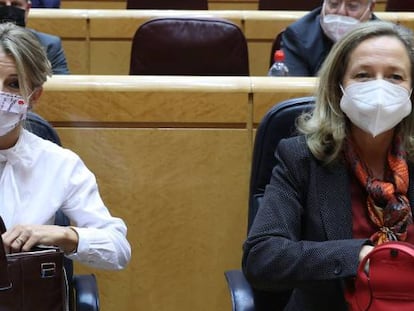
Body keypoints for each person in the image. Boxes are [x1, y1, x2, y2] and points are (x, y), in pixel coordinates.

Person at [243, 20, 414, 310]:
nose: (380, 87)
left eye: (395, 77)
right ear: (339, 87)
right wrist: (357, 256)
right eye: (363, 75)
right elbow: (263, 258)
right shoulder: (301, 157)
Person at [0, 22, 131, 270]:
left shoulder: (58, 163)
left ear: (33, 97)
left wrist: (63, 235)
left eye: (14, 84)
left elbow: (118, 250)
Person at [278, 0, 377, 76]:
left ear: (371, 8)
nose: (341, 12)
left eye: (352, 6)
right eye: (334, 3)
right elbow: (294, 93)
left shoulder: (386, 40)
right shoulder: (298, 35)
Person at [0, 0, 69, 74]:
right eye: (1, 4)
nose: (8, 10)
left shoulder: (49, 44)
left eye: (16, 4)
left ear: (28, 8)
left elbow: (61, 82)